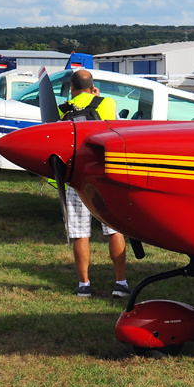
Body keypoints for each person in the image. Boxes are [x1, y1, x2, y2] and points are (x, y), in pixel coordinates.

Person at [60, 69, 130, 298]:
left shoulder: (64, 110)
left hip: (77, 178)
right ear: (92, 87)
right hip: (104, 177)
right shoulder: (107, 103)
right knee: (114, 229)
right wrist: (97, 97)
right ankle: (120, 283)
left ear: (72, 87)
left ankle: (84, 285)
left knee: (80, 234)